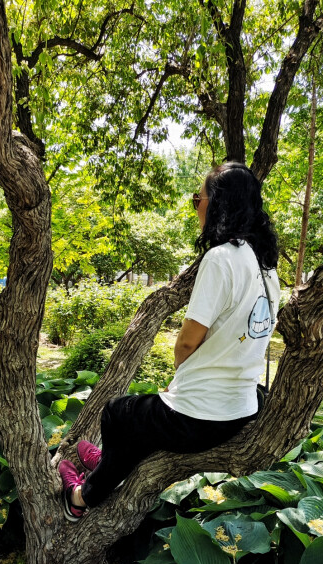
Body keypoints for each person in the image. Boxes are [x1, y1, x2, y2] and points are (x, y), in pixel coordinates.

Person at [59, 161, 280, 521]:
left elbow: (186, 345)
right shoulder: (266, 266)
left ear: (218, 204)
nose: (197, 207)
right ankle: (111, 466)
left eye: (199, 199)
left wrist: (181, 377)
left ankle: (82, 497)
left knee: (117, 412)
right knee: (142, 418)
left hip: (202, 416)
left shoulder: (221, 258)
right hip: (240, 409)